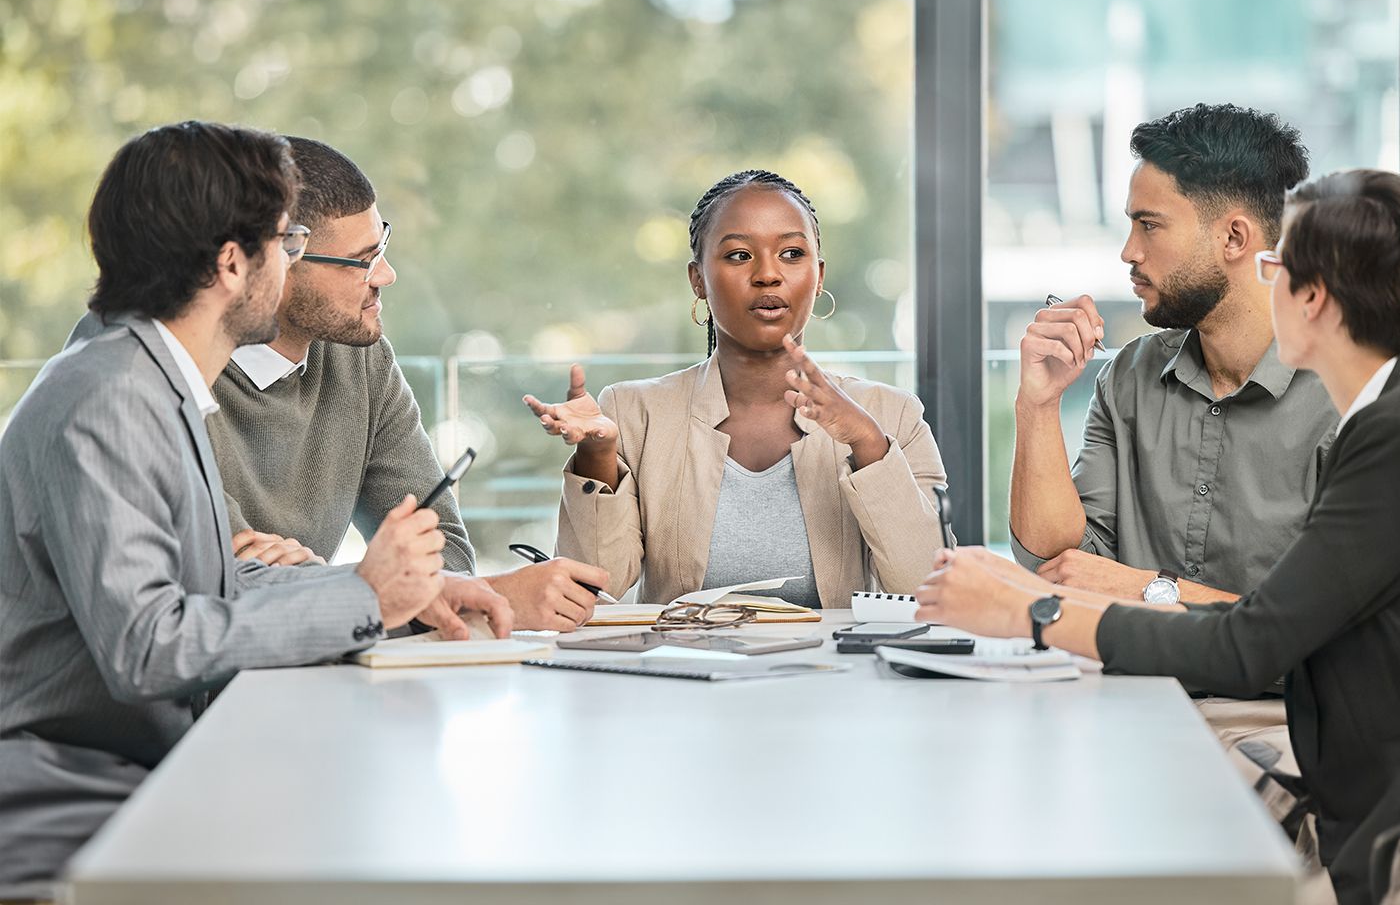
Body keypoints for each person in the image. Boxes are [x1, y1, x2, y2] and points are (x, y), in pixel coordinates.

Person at [917, 169, 1400, 905]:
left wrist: (1031, 614)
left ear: (1314, 298)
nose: (1266, 287)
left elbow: (1248, 646)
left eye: (1276, 269)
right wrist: (1031, 595)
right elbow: (1261, 624)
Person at [0, 122, 511, 898]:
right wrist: (361, 594)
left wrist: (408, 600)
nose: (293, 258)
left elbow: (211, 592)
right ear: (234, 263)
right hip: (78, 796)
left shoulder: (152, 379)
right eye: (289, 240)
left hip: (151, 772)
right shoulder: (108, 400)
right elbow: (147, 645)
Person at [67, 136, 610, 633]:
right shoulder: (141, 375)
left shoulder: (360, 356)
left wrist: (332, 579)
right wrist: (428, 591)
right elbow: (223, 580)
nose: (386, 276)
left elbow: (439, 551)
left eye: (383, 246)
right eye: (361, 261)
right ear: (280, 262)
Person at [1008, 103, 1335, 796]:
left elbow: (1332, 646)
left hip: (1279, 725)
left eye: (1148, 225)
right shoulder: (1128, 375)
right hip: (1126, 704)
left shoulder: (1344, 396)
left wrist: (1148, 591)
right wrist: (1037, 403)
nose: (1128, 251)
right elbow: (1056, 563)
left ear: (1235, 236)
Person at [523, 169, 947, 606]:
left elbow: (930, 593)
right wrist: (596, 456)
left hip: (835, 672)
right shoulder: (633, 411)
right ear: (698, 279)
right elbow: (591, 596)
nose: (768, 274)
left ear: (818, 277)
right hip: (681, 669)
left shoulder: (891, 414)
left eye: (791, 253)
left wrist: (867, 443)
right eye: (740, 256)